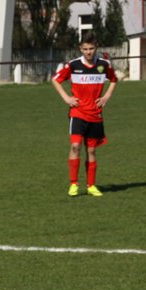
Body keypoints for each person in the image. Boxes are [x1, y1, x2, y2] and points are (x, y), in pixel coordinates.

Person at [52, 32, 117, 197]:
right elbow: (55, 80)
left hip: (95, 114)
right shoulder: (73, 65)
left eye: (91, 48)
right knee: (75, 146)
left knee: (92, 151)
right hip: (78, 112)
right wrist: (66, 98)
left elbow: (114, 79)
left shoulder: (103, 64)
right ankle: (73, 184)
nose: (88, 52)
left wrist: (107, 96)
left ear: (96, 48)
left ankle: (91, 186)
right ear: (80, 49)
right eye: (85, 49)